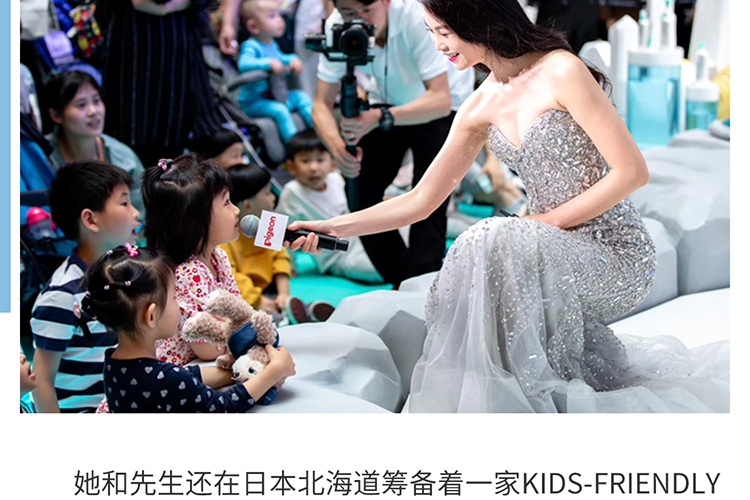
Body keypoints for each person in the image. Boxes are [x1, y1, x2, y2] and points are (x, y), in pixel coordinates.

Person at [288, 0, 727, 412]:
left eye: (444, 32)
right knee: (493, 241)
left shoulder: (561, 70)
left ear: (476, 17)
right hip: (541, 247)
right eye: (431, 33)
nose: (438, 45)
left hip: (614, 252)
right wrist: (332, 227)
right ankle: (503, 403)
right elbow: (421, 200)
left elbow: (631, 172)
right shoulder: (480, 103)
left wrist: (541, 223)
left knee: (494, 235)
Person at [312, 0, 475, 288]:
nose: (360, 20)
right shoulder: (338, 25)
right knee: (360, 192)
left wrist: (380, 117)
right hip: (387, 102)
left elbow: (440, 99)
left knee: (430, 197)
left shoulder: (417, 17)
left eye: (367, 11)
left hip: (442, 106)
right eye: (350, 13)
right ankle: (403, 281)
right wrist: (337, 147)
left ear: (386, 1)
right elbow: (320, 105)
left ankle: (424, 282)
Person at [80, 245, 295, 413]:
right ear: (151, 316)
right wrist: (274, 371)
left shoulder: (115, 363)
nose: (180, 305)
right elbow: (223, 406)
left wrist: (234, 372)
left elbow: (186, 376)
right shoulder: (167, 378)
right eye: (175, 297)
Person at [30, 161, 140, 412]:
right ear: (90, 219)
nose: (136, 213)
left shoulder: (127, 274)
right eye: (124, 203)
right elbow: (42, 381)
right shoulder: (62, 296)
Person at [141, 154, 243, 366]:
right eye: (226, 202)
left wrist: (234, 327)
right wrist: (238, 330)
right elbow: (207, 347)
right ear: (195, 221)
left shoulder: (219, 256)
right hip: (177, 373)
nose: (236, 210)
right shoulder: (187, 273)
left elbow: (238, 311)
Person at [98, 0, 224, 170]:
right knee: (132, 140)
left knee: (173, 144)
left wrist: (169, 8)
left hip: (178, 53)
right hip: (136, 51)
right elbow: (140, 2)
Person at [220, 162, 335, 324]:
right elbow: (231, 275)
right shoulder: (227, 237)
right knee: (247, 315)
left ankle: (302, 311)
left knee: (285, 304)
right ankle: (287, 317)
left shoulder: (269, 226)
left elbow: (280, 259)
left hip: (270, 289)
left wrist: (283, 294)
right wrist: (258, 300)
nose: (273, 197)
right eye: (267, 193)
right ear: (248, 205)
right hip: (243, 295)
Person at [276, 129, 383, 283]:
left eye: (320, 160)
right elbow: (283, 233)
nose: (314, 168)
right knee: (373, 268)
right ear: (291, 167)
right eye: (305, 161)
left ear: (332, 163)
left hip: (359, 238)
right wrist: (288, 267)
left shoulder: (335, 179)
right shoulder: (291, 193)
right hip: (337, 256)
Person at [44, 70, 146, 217]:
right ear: (56, 115)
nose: (93, 111)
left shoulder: (125, 160)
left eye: (96, 101)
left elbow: (140, 216)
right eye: (81, 105)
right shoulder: (41, 158)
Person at [236, 0, 314, 144]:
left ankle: (318, 132)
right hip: (255, 102)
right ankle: (294, 145)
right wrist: (268, 64)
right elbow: (243, 64)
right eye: (272, 16)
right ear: (253, 26)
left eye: (279, 15)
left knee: (301, 97)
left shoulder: (271, 44)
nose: (280, 20)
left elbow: (282, 58)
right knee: (280, 111)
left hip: (277, 97)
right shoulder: (251, 45)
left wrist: (293, 59)